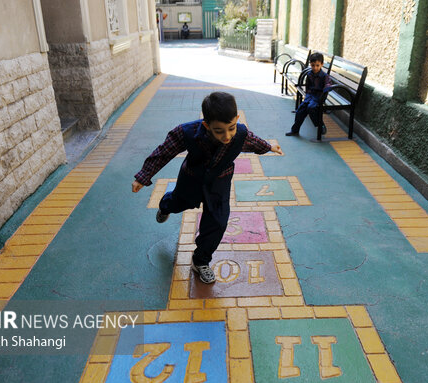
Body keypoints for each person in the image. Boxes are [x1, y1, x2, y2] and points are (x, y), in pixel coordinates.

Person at [132, 92, 283, 283]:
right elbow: (163, 153)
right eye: (219, 130)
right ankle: (165, 205)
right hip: (191, 179)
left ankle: (200, 260)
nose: (227, 136)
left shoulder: (241, 133)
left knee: (218, 222)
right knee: (177, 202)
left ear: (237, 120)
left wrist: (269, 147)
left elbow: (253, 141)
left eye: (231, 128)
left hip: (219, 183)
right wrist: (143, 176)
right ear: (206, 125)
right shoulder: (186, 132)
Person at [285, 52, 332, 137]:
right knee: (300, 110)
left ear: (321, 64)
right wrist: (307, 96)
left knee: (311, 108)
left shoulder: (325, 76)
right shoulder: (309, 74)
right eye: (313, 65)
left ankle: (320, 125)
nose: (315, 68)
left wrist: (326, 89)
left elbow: (328, 84)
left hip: (319, 97)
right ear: (310, 64)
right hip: (310, 96)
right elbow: (308, 87)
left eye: (317, 65)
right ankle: (295, 130)